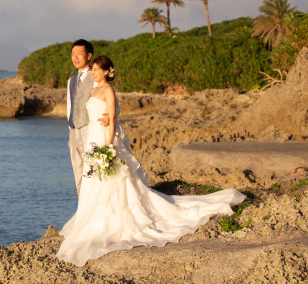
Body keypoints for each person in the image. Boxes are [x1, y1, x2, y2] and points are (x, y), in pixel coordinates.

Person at [55, 56, 245, 267]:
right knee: (92, 177)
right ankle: (90, 216)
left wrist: (108, 145)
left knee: (113, 178)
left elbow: (114, 117)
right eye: (92, 70)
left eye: (97, 70)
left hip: (104, 138)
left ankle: (114, 215)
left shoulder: (109, 90)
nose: (93, 73)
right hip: (92, 136)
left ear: (107, 71)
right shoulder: (92, 91)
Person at [66, 39, 109, 195]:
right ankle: (81, 202)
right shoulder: (71, 80)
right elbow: (70, 106)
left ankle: (94, 200)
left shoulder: (96, 77)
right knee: (77, 168)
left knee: (91, 167)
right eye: (73, 54)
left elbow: (107, 98)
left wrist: (110, 116)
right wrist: (70, 132)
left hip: (90, 128)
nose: (75, 57)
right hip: (74, 129)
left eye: (79, 54)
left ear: (89, 56)